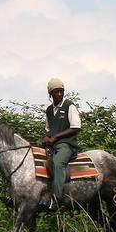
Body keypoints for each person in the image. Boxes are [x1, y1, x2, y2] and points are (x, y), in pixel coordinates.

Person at [43, 77, 82, 210]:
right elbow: (49, 131)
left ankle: (57, 199)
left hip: (67, 145)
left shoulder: (69, 106)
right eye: (56, 92)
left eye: (61, 91)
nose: (59, 94)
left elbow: (76, 127)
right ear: (50, 94)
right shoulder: (48, 110)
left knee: (58, 163)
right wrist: (47, 139)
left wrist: (56, 137)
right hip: (54, 146)